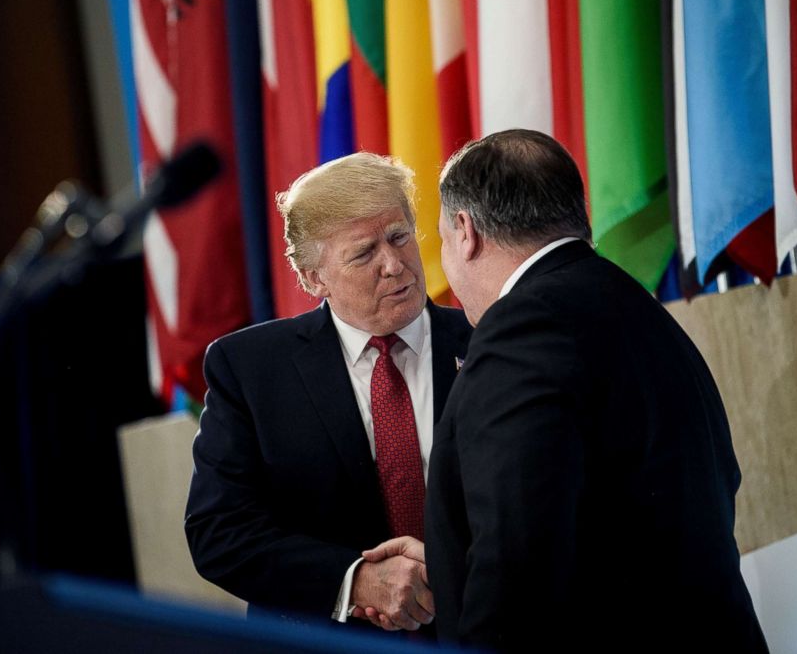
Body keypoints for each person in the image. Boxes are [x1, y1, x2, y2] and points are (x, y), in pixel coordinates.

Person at [369, 129, 767, 651]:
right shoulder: (639, 309)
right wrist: (450, 561)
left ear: (465, 231)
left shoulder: (521, 327)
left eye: (439, 238)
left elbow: (517, 554)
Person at [184, 153, 471, 635]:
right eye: (363, 253)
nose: (394, 265)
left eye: (400, 236)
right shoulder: (251, 369)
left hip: (480, 634)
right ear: (314, 278)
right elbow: (220, 534)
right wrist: (355, 582)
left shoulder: (487, 341)